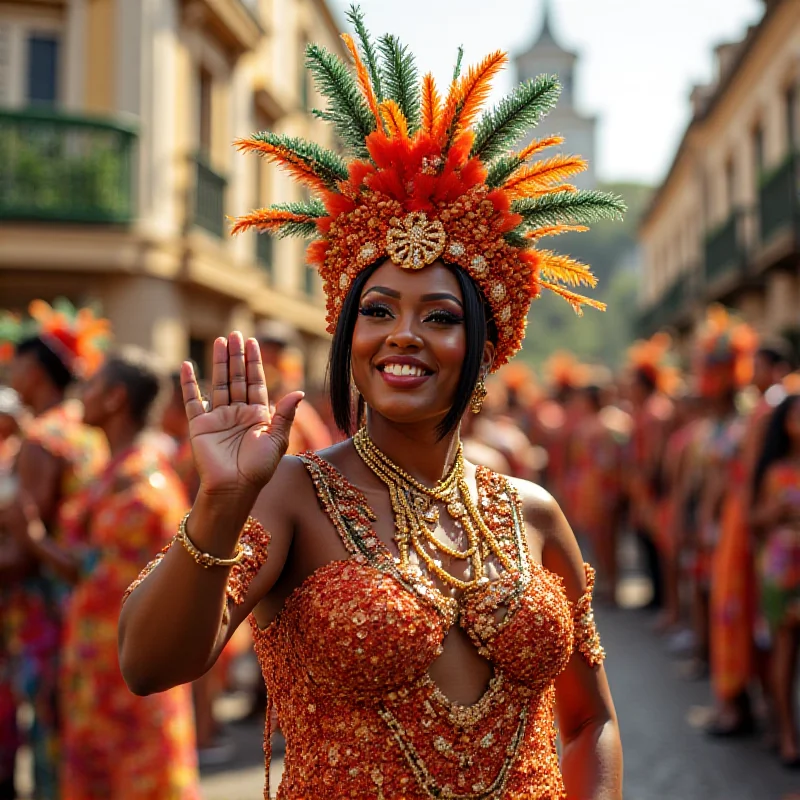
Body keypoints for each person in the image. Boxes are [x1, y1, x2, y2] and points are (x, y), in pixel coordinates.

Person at [118, 11, 624, 799]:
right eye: (378, 310)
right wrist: (220, 504)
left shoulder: (534, 512)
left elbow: (590, 722)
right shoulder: (290, 495)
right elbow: (149, 666)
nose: (404, 337)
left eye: (441, 316)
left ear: (487, 344)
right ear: (347, 335)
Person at [13, 349, 201, 798]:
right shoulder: (113, 470)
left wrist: (31, 537)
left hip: (126, 670)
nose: (83, 396)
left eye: (93, 386)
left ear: (116, 398)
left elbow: (94, 575)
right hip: (98, 661)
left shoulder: (140, 484)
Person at [0, 301, 109, 799]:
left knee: (47, 730)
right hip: (81, 600)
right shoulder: (85, 431)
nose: (9, 369)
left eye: (16, 361)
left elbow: (24, 544)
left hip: (43, 607)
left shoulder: (43, 439)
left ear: (36, 371)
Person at [752, 394, 800, 766]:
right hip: (783, 568)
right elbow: (755, 519)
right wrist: (777, 510)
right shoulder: (775, 472)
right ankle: (785, 733)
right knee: (783, 649)